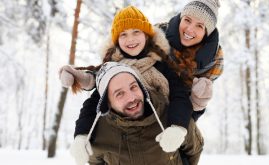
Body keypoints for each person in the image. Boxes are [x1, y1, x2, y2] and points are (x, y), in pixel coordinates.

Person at [62, 5, 194, 165]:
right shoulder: (112, 71)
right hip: (123, 138)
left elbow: (180, 95)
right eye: (123, 34)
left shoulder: (162, 64)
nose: (130, 39)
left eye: (136, 32)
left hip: (159, 131)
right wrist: (81, 135)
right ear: (116, 40)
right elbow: (93, 104)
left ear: (146, 35)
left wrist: (177, 127)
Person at [83, 62, 203, 165]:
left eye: (133, 87)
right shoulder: (99, 132)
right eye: (119, 94)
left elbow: (195, 149)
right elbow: (94, 161)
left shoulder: (173, 117)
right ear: (107, 103)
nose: (131, 98)